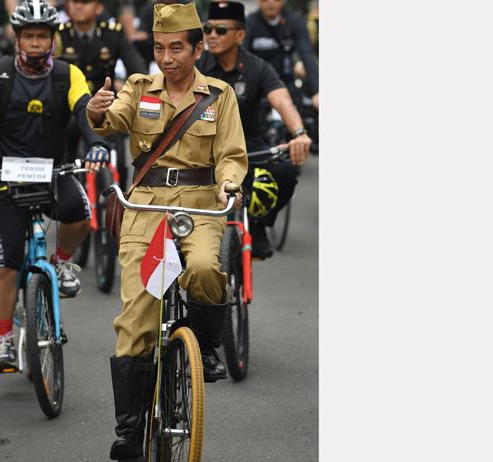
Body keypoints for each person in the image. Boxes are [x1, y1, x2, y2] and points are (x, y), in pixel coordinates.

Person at [86, 3, 247, 459]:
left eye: (177, 47)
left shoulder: (219, 95)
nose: (167, 56)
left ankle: (205, 346)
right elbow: (113, 119)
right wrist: (97, 110)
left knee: (204, 269)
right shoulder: (138, 87)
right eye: (159, 47)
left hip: (199, 206)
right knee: (136, 316)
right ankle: (129, 433)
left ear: (198, 48)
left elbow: (232, 154)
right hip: (145, 207)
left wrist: (228, 184)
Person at [0, 0, 111, 371]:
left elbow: (84, 111)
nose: (36, 43)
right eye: (29, 36)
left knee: (79, 212)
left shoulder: (67, 75)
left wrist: (98, 143)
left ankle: (63, 263)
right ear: (17, 38)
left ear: (53, 39)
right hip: (5, 177)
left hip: (55, 171)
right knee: (4, 263)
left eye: (43, 35)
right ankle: (4, 340)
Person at [197, 0, 311, 259]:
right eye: (209, 29)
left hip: (249, 146)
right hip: (202, 148)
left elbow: (283, 101)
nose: (213, 35)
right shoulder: (196, 66)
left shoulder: (258, 67)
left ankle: (258, 223)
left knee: (285, 171)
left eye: (221, 30)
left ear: (240, 35)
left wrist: (299, 134)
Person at [57, 0, 147, 186]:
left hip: (106, 105)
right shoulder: (59, 33)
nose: (78, 6)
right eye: (73, 2)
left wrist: (128, 93)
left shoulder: (112, 33)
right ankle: (68, 189)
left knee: (120, 160)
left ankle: (119, 203)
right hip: (70, 107)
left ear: (99, 7)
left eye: (84, 2)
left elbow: (137, 68)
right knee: (65, 157)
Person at [243, 0, 319, 111]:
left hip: (285, 81)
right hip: (256, 83)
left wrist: (318, 91)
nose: (271, 2)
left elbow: (307, 55)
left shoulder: (295, 21)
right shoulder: (248, 23)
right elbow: (241, 55)